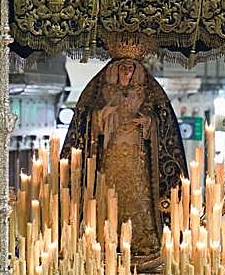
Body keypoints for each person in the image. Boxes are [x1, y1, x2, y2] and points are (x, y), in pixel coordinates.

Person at [61, 55, 188, 262]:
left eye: (131, 69)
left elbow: (162, 123)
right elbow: (89, 124)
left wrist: (148, 123)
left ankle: (142, 243)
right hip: (111, 157)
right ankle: (105, 240)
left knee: (138, 197)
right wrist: (102, 116)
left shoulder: (146, 94)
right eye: (123, 68)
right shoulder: (104, 93)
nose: (127, 73)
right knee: (108, 194)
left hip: (138, 159)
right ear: (115, 71)